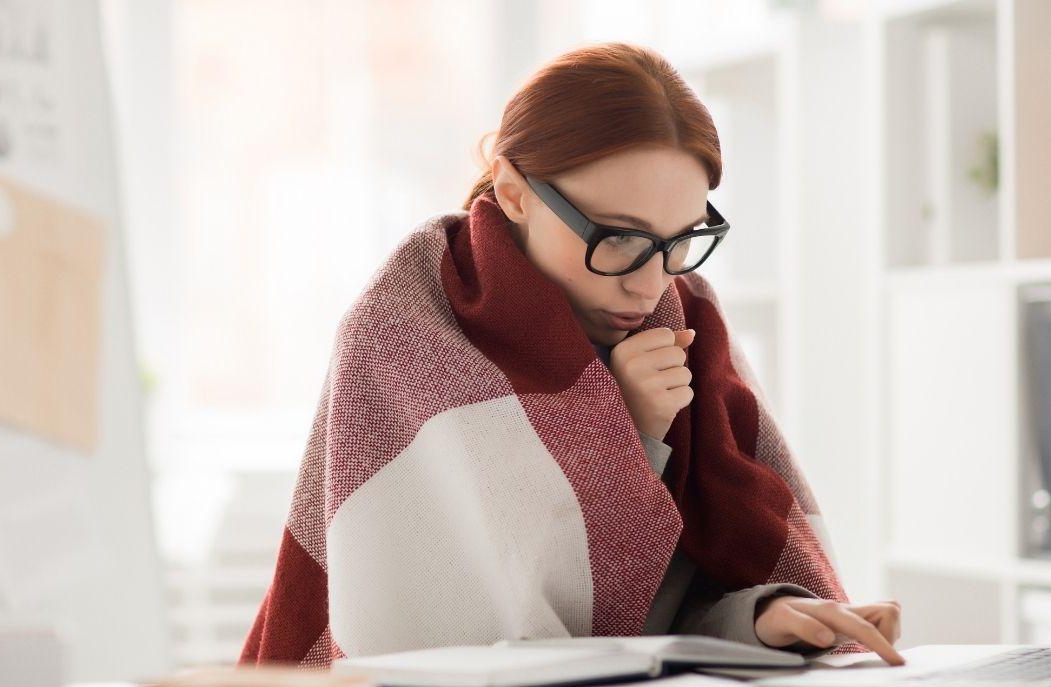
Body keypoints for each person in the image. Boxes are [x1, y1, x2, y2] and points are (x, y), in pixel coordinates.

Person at [240, 41, 902, 669]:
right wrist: (628, 430)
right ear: (514, 191)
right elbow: (493, 632)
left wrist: (764, 617)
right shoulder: (405, 331)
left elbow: (656, 626)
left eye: (680, 240)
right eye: (619, 238)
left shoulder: (688, 318)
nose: (649, 284)